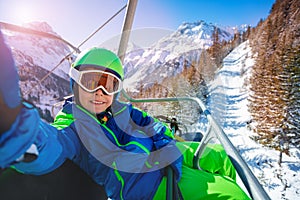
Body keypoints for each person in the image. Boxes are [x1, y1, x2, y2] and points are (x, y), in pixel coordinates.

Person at [0, 29, 250, 200]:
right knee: (231, 194)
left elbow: (147, 122)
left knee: (220, 157)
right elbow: (50, 146)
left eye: (108, 85)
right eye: (90, 82)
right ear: (74, 84)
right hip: (147, 183)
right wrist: (16, 130)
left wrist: (165, 141)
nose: (99, 92)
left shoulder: (118, 110)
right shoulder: (74, 126)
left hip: (162, 153)